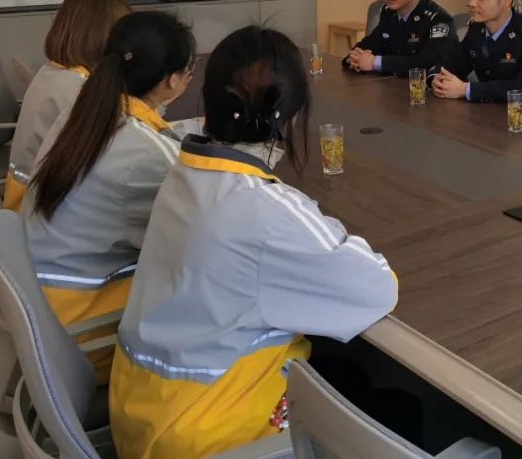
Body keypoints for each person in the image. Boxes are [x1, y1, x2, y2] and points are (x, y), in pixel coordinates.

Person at [111, 27, 398, 459]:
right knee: (396, 409)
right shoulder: (264, 209)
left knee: (346, 373)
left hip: (144, 412)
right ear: (293, 115)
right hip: (210, 437)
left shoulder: (183, 172)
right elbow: (377, 287)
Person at [22, 11, 194, 378]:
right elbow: (195, 248)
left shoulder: (84, 112)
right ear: (173, 80)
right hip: (86, 334)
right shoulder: (147, 154)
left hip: (47, 307)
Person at [4, 0, 130, 211]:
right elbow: (121, 152)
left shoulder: (54, 72)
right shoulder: (80, 90)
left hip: (25, 197)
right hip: (41, 206)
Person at [343, 0, 455, 76]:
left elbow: (427, 63)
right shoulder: (388, 13)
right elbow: (369, 44)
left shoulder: (438, 19)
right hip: (389, 85)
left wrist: (375, 62)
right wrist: (354, 59)